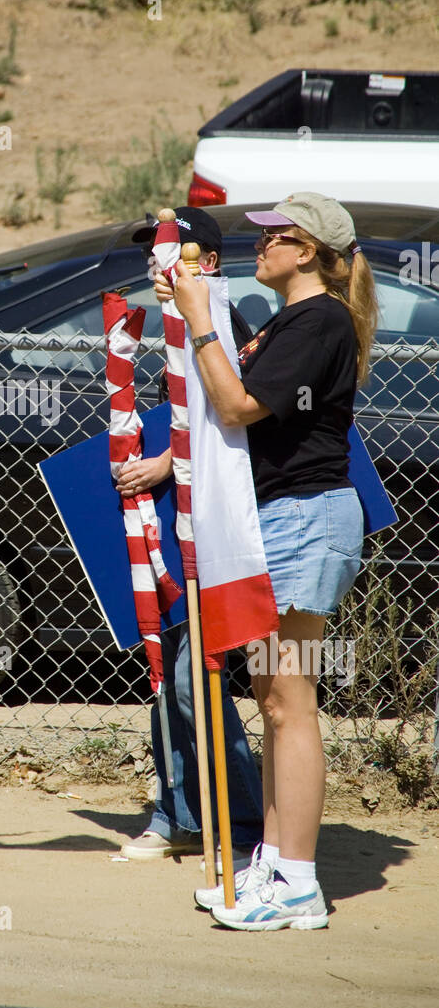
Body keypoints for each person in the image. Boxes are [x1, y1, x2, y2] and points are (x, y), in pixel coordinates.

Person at [155, 192, 378, 930]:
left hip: (306, 519)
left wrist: (199, 323)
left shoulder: (321, 320)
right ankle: (278, 863)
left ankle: (300, 883)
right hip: (282, 519)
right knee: (276, 699)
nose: (263, 247)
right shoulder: (292, 319)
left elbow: (238, 407)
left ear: (307, 249)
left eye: (275, 237)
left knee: (291, 701)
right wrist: (192, 311)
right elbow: (229, 379)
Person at [116, 208, 264, 868]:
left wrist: (164, 465)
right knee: (170, 677)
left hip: (219, 535)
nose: (155, 262)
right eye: (150, 251)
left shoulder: (221, 326)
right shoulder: (178, 327)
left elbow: (236, 431)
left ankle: (245, 818)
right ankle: (181, 811)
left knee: (190, 679)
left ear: (206, 262)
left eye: (170, 250)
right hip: (175, 534)